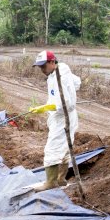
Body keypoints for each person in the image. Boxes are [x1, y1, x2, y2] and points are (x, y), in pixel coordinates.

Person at [29, 50, 81, 191]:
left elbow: (66, 104)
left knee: (52, 149)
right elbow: (78, 83)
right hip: (63, 117)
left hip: (63, 118)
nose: (41, 70)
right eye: (39, 67)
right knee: (64, 148)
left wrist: (45, 108)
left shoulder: (61, 77)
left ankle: (51, 182)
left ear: (52, 62)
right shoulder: (57, 72)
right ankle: (61, 179)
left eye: (43, 66)